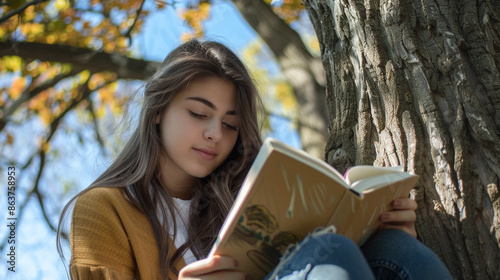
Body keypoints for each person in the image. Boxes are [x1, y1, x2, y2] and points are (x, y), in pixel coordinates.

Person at [57, 39, 452, 280]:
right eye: (198, 114)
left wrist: (378, 224)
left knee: (398, 251)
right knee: (333, 252)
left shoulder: (239, 199)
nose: (215, 133)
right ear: (158, 110)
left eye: (230, 124)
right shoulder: (103, 210)